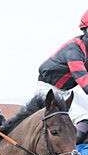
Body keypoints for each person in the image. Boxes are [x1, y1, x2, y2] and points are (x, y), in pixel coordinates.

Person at [37, 9, 88, 145]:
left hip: (66, 93)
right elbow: (84, 81)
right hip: (49, 92)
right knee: (85, 119)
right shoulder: (73, 50)